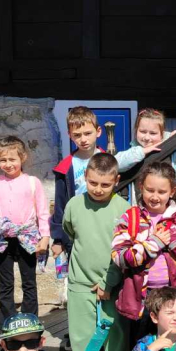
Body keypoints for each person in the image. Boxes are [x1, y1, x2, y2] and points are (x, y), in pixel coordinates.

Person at [111, 160, 176, 340]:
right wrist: (153, 244)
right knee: (143, 350)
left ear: (172, 191)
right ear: (141, 187)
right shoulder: (131, 218)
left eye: (162, 192)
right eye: (150, 190)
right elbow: (119, 257)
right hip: (142, 299)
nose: (155, 197)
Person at [62, 153, 129, 351]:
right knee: (81, 334)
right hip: (80, 281)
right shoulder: (74, 205)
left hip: (113, 283)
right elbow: (71, 232)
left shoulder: (124, 209)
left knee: (115, 335)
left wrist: (108, 282)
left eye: (105, 184)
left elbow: (125, 250)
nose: (98, 189)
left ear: (116, 181)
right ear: (85, 177)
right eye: (93, 183)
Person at [0, 136, 50, 320]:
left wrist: (44, 237)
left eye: (12, 159)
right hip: (1, 240)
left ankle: (30, 319)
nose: (8, 164)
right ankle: (8, 321)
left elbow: (42, 213)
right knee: (5, 283)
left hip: (27, 239)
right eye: (3, 160)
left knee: (29, 282)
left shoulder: (33, 182)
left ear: (22, 158)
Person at [51, 106, 105, 259]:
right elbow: (60, 202)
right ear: (70, 135)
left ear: (98, 131)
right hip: (76, 228)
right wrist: (58, 238)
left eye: (88, 133)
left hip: (103, 224)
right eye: (77, 135)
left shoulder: (109, 161)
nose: (83, 139)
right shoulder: (65, 167)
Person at [114, 108, 176, 211]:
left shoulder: (171, 146)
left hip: (174, 208)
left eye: (153, 133)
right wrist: (142, 151)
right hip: (144, 211)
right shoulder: (134, 151)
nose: (147, 137)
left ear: (162, 134)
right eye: (142, 131)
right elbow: (115, 164)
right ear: (136, 130)